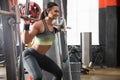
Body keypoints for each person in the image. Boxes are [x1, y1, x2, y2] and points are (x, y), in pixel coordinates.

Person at [21, 2, 63, 80]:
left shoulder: (53, 27)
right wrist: (26, 25)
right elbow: (26, 41)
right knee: (37, 77)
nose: (57, 14)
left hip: (41, 57)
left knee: (59, 73)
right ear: (48, 11)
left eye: (58, 11)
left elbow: (56, 31)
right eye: (55, 11)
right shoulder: (38, 24)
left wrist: (63, 26)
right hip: (30, 55)